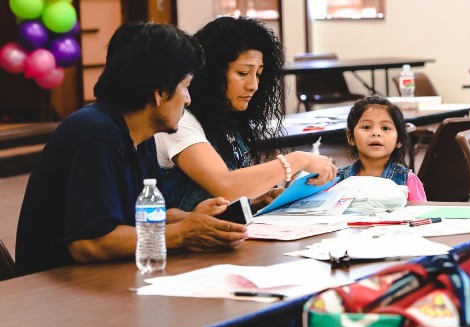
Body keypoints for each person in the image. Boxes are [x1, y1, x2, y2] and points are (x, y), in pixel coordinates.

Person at [15, 22, 249, 277]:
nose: (188, 98)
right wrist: (183, 233)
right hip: (58, 289)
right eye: (185, 86)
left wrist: (193, 218)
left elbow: (158, 212)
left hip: (108, 277)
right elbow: (91, 242)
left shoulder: (140, 133)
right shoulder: (96, 135)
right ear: (160, 92)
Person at [154, 16, 336, 212]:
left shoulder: (226, 118)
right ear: (213, 73)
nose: (253, 86)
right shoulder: (179, 121)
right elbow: (225, 186)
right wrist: (298, 160)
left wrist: (255, 202)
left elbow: (224, 199)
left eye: (258, 74)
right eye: (242, 73)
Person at [336, 96, 426, 201]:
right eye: (366, 127)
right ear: (351, 137)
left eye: (385, 128)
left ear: (399, 140)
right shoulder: (337, 179)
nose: (376, 133)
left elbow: (420, 214)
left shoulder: (407, 180)